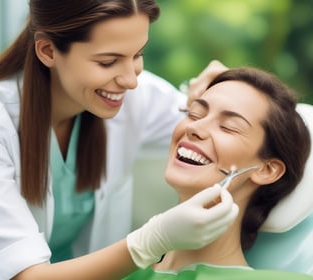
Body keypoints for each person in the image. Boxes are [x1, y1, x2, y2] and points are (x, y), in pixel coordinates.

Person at [0, 1, 238, 279]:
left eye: (138, 54)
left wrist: (226, 93)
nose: (129, 79)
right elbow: (26, 275)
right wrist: (152, 240)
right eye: (107, 62)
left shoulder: (129, 97)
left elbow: (234, 129)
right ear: (48, 50)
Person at [123, 67, 312, 279]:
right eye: (193, 114)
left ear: (267, 170)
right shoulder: (115, 271)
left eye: (228, 127)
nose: (194, 128)